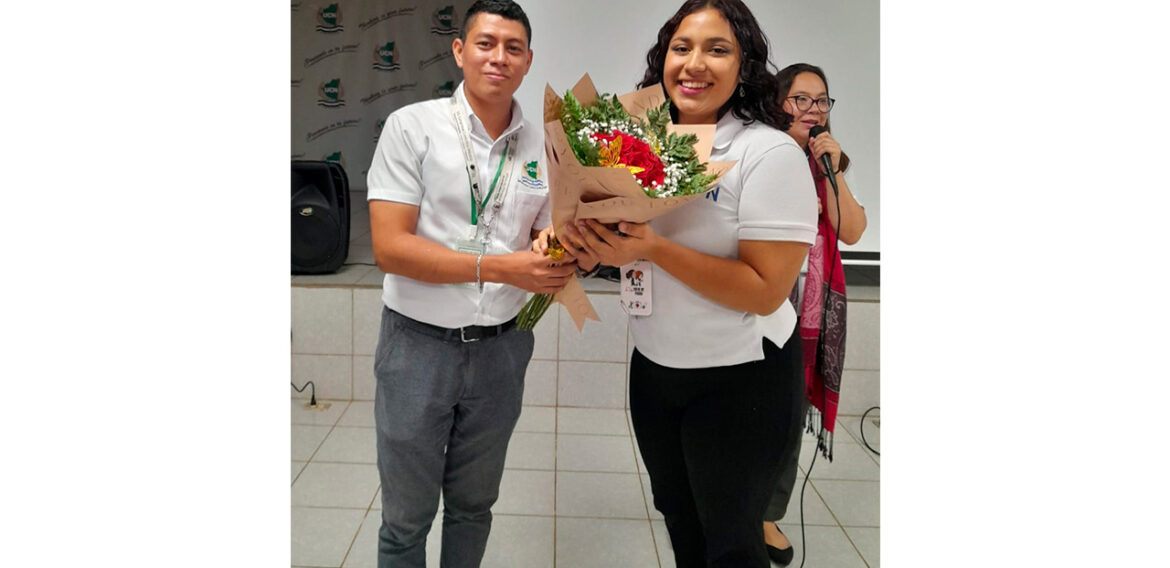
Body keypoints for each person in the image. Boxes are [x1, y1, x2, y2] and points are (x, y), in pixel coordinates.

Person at [558, 1, 817, 565]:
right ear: (663, 57)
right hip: (654, 368)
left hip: (739, 380)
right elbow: (616, 241)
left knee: (730, 541)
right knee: (679, 521)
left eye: (717, 49)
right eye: (682, 47)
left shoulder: (766, 153)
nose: (694, 64)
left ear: (744, 66)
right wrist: (579, 247)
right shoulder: (636, 145)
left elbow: (765, 290)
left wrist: (655, 249)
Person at [364, 1, 578, 566]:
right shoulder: (412, 127)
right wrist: (502, 267)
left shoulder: (545, 146)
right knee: (406, 519)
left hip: (502, 351)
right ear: (460, 51)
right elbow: (391, 247)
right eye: (485, 43)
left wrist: (562, 242)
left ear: (528, 61)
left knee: (474, 506)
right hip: (417, 347)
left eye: (513, 47)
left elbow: (541, 231)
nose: (498, 57)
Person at [759, 62, 869, 565]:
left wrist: (834, 169)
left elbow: (851, 230)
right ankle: (734, 506)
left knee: (789, 417)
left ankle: (766, 514)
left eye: (821, 101)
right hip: (760, 300)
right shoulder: (761, 153)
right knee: (752, 413)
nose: (812, 110)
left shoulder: (827, 162)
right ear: (778, 103)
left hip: (808, 313)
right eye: (800, 99)